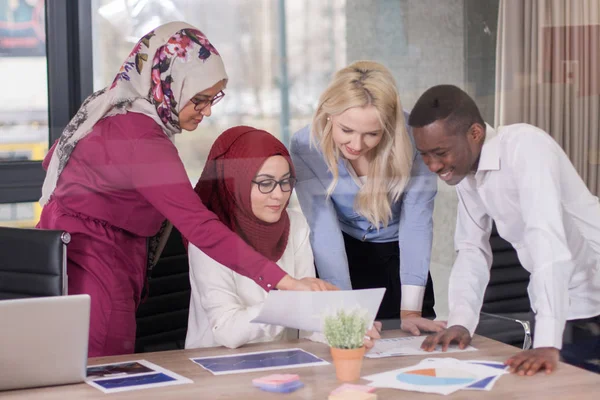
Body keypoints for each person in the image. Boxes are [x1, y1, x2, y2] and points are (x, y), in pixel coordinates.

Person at [36, 22, 335, 357]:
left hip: (82, 251)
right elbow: (199, 225)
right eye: (200, 100)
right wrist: (285, 283)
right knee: (105, 369)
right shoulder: (142, 138)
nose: (207, 111)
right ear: (168, 83)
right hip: (97, 259)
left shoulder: (114, 107)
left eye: (213, 99)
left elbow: (54, 163)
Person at [409, 84, 600, 375]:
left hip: (591, 294)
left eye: (440, 152)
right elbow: (472, 248)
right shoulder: (466, 172)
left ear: (474, 133)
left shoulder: (526, 147)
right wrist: (461, 320)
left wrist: (548, 341)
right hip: (558, 304)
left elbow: (545, 236)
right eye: (425, 154)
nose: (433, 165)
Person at [184, 126, 381, 349]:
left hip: (281, 361)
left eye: (286, 181)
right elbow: (228, 332)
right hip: (213, 367)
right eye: (265, 183)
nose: (279, 194)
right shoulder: (210, 239)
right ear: (235, 183)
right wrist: (290, 300)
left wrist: (347, 330)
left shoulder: (296, 225)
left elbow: (307, 318)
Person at [290, 60, 444, 334]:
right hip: (342, 257)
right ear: (329, 114)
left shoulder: (416, 137)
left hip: (401, 259)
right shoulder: (306, 145)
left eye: (372, 134)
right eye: (346, 131)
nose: (357, 145)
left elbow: (417, 224)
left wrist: (410, 310)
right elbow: (324, 229)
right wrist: (344, 309)